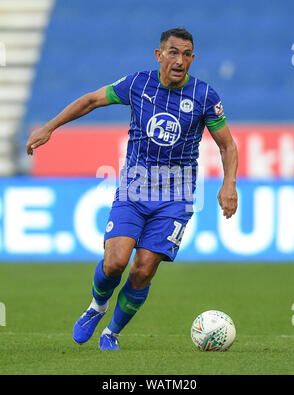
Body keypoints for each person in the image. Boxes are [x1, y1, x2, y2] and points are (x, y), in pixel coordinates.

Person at [26, 28, 238, 350]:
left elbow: (227, 146)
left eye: (186, 54)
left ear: (192, 59)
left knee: (143, 269)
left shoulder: (204, 95)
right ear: (159, 55)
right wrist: (50, 128)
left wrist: (228, 184)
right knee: (115, 262)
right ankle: (97, 306)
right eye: (173, 52)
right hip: (134, 187)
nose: (179, 60)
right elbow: (91, 101)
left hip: (176, 195)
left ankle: (112, 332)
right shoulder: (138, 84)